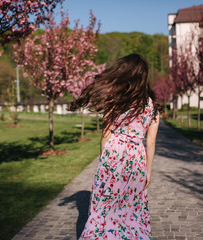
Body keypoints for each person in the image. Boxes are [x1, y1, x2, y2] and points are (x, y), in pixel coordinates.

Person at [69, 53, 160, 240]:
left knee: (104, 207)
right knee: (132, 209)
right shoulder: (151, 106)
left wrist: (104, 160)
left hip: (113, 153)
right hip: (136, 158)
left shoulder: (115, 99)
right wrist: (148, 171)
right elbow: (150, 141)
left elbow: (106, 134)